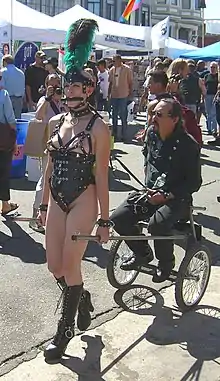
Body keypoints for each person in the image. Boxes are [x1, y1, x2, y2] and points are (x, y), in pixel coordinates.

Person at [38, 19, 111, 362]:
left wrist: (105, 220)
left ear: (90, 88)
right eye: (67, 85)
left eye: (76, 86)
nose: (69, 91)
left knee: (70, 264)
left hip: (84, 199)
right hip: (56, 199)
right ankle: (81, 298)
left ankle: (64, 335)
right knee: (55, 267)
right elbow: (48, 166)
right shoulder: (55, 122)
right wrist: (41, 203)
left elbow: (102, 175)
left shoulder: (100, 127)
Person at [110, 98, 202, 283]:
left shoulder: (188, 145)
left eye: (159, 114)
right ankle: (142, 253)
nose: (153, 117)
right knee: (118, 218)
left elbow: (194, 182)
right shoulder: (151, 133)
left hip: (177, 199)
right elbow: (148, 156)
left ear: (174, 119)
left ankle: (166, 263)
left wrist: (167, 195)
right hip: (150, 192)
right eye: (152, 113)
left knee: (156, 225)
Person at [29, 73, 65, 233]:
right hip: (48, 147)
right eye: (52, 84)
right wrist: (48, 98)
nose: (56, 86)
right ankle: (35, 214)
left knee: (58, 181)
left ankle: (51, 215)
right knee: (45, 180)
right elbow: (38, 116)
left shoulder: (63, 101)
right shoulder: (45, 101)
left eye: (57, 83)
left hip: (63, 147)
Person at [0, 83, 18, 215]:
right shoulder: (3, 94)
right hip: (2, 139)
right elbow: (11, 120)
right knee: (3, 171)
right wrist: (14, 140)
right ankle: (5, 204)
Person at [108, 55, 133, 142]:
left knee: (123, 116)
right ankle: (114, 134)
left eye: (114, 61)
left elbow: (130, 82)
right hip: (114, 95)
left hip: (123, 95)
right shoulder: (112, 70)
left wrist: (130, 93)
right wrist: (109, 94)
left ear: (119, 60)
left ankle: (124, 135)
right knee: (114, 115)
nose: (113, 62)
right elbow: (110, 83)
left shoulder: (127, 69)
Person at [1, 55, 25, 119]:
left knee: (6, 120)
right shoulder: (21, 72)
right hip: (19, 99)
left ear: (4, 62)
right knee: (17, 120)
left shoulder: (3, 72)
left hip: (7, 99)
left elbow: (1, 87)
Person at [204, 61, 219, 136]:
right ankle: (209, 128)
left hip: (215, 96)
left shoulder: (218, 76)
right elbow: (204, 85)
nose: (212, 69)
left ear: (217, 68)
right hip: (207, 96)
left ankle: (214, 130)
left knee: (213, 113)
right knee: (208, 113)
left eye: (214, 67)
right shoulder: (207, 76)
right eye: (211, 67)